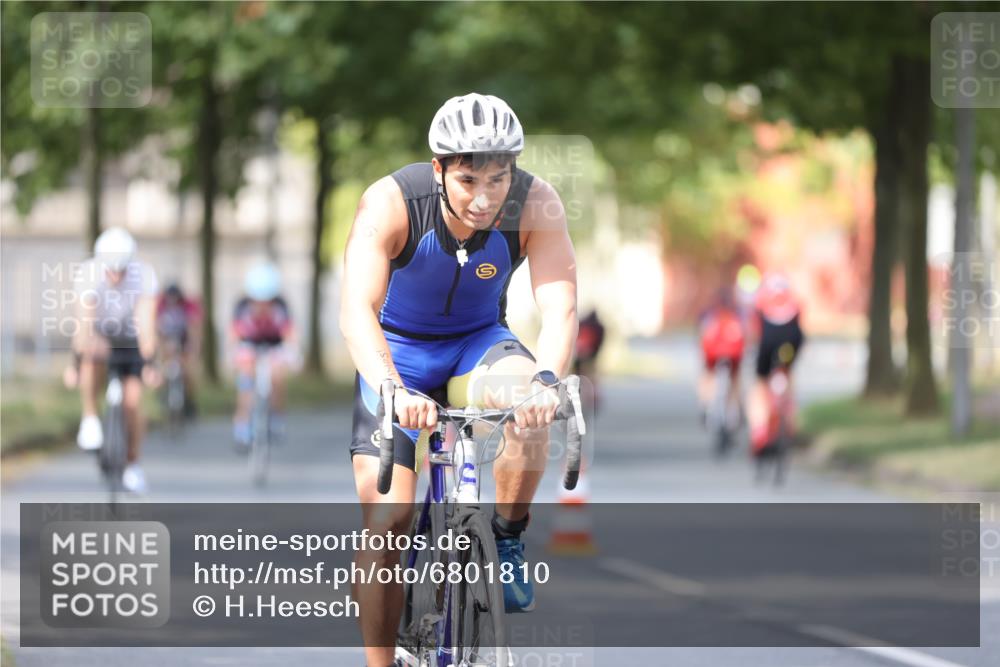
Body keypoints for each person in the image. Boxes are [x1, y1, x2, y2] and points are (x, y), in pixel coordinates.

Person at [340, 93, 577, 667]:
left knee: (529, 399)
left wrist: (547, 380)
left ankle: (510, 533)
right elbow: (355, 309)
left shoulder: (536, 204)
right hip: (397, 354)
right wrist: (391, 388)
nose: (484, 197)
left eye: (498, 180)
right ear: (439, 168)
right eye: (469, 179)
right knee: (387, 524)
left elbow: (561, 309)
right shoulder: (392, 203)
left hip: (477, 345)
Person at [73, 227, 159, 493]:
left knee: (133, 403)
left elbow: (147, 326)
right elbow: (83, 326)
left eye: (121, 270)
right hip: (101, 334)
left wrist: (150, 364)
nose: (116, 275)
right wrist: (76, 362)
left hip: (130, 339)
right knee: (92, 356)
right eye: (111, 269)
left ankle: (132, 463)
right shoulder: (88, 275)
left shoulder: (144, 276)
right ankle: (89, 418)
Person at [230, 262, 298, 449]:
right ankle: (242, 426)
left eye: (266, 300)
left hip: (274, 344)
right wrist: (234, 355)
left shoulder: (280, 306)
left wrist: (293, 354)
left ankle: (276, 417)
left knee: (277, 377)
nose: (262, 305)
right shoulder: (242, 306)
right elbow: (234, 334)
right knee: (245, 383)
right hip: (250, 344)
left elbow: (289, 333)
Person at [747, 272, 805, 456]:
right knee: (787, 375)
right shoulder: (795, 304)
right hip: (790, 344)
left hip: (768, 343)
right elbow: (800, 332)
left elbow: (754, 332)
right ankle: (790, 421)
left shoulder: (762, 302)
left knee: (760, 386)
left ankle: (759, 431)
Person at [697, 286, 746, 425]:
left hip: (713, 354)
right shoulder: (738, 314)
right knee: (735, 377)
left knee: (708, 375)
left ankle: (705, 405)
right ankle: (737, 407)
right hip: (733, 355)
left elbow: (702, 335)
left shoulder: (709, 314)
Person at [156, 283, 202, 417]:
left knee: (189, 371)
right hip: (167, 340)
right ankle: (164, 393)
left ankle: (189, 398)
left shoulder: (188, 306)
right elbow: (156, 329)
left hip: (183, 340)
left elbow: (194, 329)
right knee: (162, 369)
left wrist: (193, 350)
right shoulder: (160, 306)